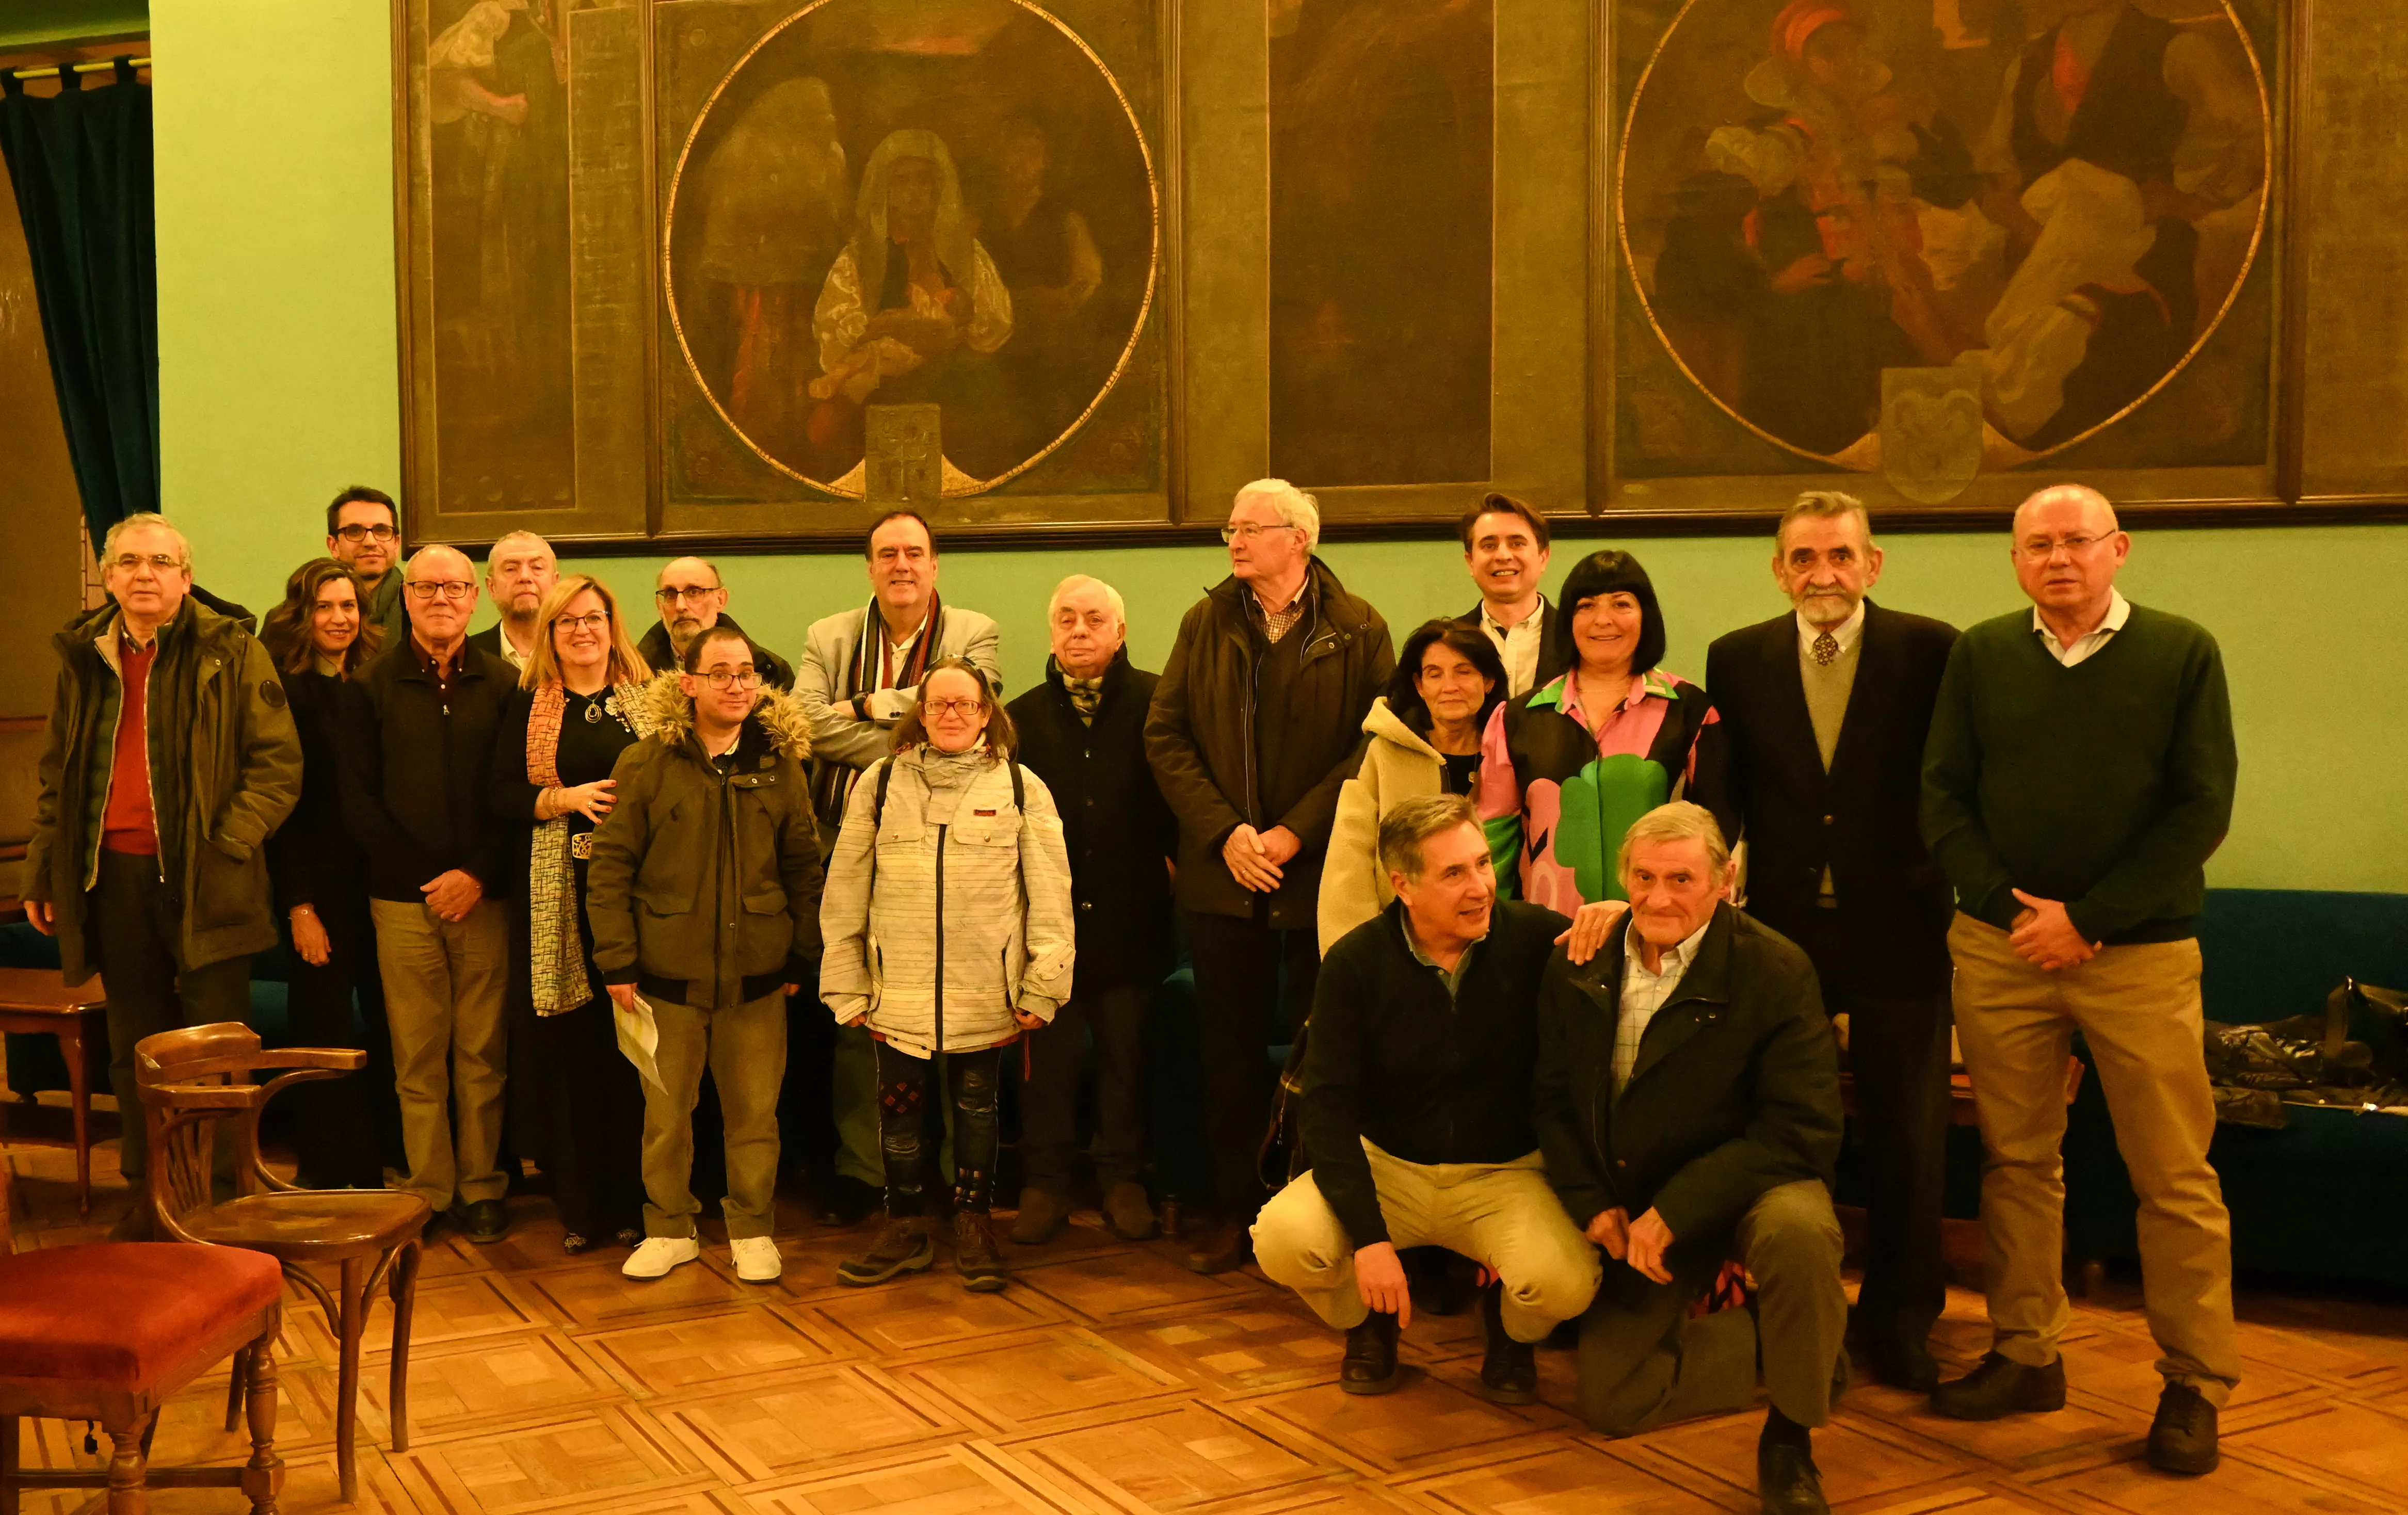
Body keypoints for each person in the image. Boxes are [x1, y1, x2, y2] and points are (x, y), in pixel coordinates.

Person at [1920, 485, 2238, 1475]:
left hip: (2136, 955)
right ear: (2015, 560)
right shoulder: (1981, 654)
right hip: (2002, 949)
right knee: (2016, 1161)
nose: (2058, 559)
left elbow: (2201, 807)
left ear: (2119, 549)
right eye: (2037, 545)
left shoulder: (2182, 650)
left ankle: (2193, 1383)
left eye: (2076, 542)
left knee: (2174, 1175)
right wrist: (2013, 912)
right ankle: (2025, 1353)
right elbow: (1941, 793)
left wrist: (2088, 921)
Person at [1699, 491, 1958, 1391]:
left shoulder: (1931, 650)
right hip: (1782, 933)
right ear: (1779, 570)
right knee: (1782, 1127)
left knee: (1909, 1138)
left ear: (1872, 564)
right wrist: (1704, 865)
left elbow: (1949, 780)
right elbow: (1723, 791)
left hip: (1901, 926)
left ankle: (1901, 1318)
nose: (1823, 573)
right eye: (1803, 558)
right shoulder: (1736, 660)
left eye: (1840, 556)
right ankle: (1790, 1306)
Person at [1533, 803, 1846, 1515]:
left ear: (1724, 880)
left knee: (1800, 1232)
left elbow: (1800, 1130)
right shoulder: (1580, 962)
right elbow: (1550, 1100)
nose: (1657, 897)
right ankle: (1798, 1347)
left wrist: (1676, 1211)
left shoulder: (1775, 967)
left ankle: (1791, 1439)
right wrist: (1591, 1203)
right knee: (1614, 1400)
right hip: (1633, 1190)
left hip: (1747, 1184)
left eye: (1681, 878)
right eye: (1642, 877)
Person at [1255, 795, 1601, 1404]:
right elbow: (1328, 1110)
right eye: (1454, 873)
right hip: (1390, 1165)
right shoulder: (1356, 961)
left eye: (1481, 865)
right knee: (1282, 1239)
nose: (1480, 888)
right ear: (1403, 885)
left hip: (1505, 1173)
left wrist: (1619, 914)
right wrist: (1368, 1240)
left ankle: (1510, 1331)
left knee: (1564, 1285)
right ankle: (1369, 1323)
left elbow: (1632, 952)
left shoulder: (1536, 938)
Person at [22, 514, 302, 1224]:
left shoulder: (231, 648)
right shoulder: (83, 656)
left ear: (185, 575)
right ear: (110, 575)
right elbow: (57, 776)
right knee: (136, 1050)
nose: (143, 573)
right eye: (129, 561)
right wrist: (42, 873)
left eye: (160, 561)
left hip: (212, 882)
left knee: (211, 1055)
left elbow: (278, 766)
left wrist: (223, 845)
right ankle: (152, 1201)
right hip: (111, 879)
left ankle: (216, 1204)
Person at [1145, 478, 1394, 1275]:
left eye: (1249, 529)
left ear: (1299, 538)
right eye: (1229, 529)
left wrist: (1294, 832)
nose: (1233, 542)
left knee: (1329, 1056)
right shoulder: (1204, 621)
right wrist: (1227, 833)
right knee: (1226, 1057)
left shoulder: (1359, 629)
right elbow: (1167, 734)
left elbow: (1371, 747)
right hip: (1225, 882)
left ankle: (1324, 1207)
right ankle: (1234, 1212)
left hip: (1324, 875)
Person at [821, 659, 1075, 1291]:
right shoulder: (879, 784)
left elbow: (1050, 895)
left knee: (978, 1111)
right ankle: (905, 1224)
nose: (952, 715)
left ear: (987, 712)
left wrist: (1044, 984)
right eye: (939, 706)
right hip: (895, 990)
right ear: (921, 714)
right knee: (899, 1114)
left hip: (985, 991)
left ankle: (973, 1221)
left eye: (965, 704)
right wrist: (845, 981)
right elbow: (845, 888)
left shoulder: (1021, 786)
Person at [588, 626, 824, 1284]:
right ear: (687, 682)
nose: (737, 684)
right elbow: (610, 866)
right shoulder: (646, 762)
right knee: (666, 1118)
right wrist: (618, 962)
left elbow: (804, 865)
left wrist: (801, 955)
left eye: (747, 672)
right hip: (662, 979)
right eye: (720, 672)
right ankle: (669, 1226)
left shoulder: (780, 764)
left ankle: (752, 1227)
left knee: (755, 1115)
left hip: (759, 978)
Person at [798, 509, 1002, 1225]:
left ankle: (948, 1173)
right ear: (870, 567)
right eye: (887, 554)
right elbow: (803, 726)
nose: (902, 565)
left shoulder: (973, 632)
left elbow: (961, 716)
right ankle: (866, 1169)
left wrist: (856, 710)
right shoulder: (828, 636)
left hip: (950, 855)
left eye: (914, 552)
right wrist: (903, 730)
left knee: (947, 1009)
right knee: (862, 1009)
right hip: (847, 847)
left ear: (935, 564)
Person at [335, 543, 517, 1243]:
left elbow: (512, 793)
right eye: (426, 588)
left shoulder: (505, 686)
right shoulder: (370, 686)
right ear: (405, 599)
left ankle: (481, 1188)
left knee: (481, 1053)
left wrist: (475, 874)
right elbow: (357, 802)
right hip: (401, 901)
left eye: (455, 588)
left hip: (484, 897)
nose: (441, 599)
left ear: (476, 599)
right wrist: (425, 881)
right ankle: (427, 1191)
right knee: (416, 1055)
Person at [1004, 576, 1177, 1245]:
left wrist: (1171, 867)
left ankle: (1121, 1179)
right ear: (1051, 634)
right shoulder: (1017, 717)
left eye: (1094, 619)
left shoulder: (1160, 703)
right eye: (1067, 620)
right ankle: (1044, 1182)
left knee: (1125, 1057)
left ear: (1120, 632)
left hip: (1131, 917)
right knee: (1045, 1065)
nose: (1079, 630)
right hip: (1044, 928)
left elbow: (1180, 799)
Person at [488, 576, 657, 1254]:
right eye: (567, 623)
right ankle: (583, 1205)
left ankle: (640, 1202)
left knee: (637, 1054)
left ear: (613, 625)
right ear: (550, 635)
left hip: (639, 898)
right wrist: (565, 800)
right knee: (574, 1054)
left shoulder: (649, 703)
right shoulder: (526, 703)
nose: (582, 631)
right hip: (557, 898)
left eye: (594, 619)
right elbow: (499, 794)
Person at [1478, 549, 1732, 913]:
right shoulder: (1518, 718)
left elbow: (1719, 838)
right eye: (1586, 606)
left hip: (1662, 927)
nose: (1603, 620)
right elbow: (1494, 840)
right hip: (1548, 934)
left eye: (1622, 604)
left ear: (1647, 616)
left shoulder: (1691, 712)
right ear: (1567, 620)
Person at [261, 558, 396, 1190]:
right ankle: (330, 1170)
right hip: (313, 884)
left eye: (349, 606)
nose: (340, 618)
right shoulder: (284, 690)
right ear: (302, 614)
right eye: (326, 607)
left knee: (388, 1025)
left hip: (376, 882)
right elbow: (283, 809)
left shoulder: (373, 680)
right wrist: (299, 904)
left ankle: (381, 1162)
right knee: (324, 1030)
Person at [1320, 619, 1510, 954]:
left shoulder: (1510, 751)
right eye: (1435, 674)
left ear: (1489, 681)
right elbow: (1349, 861)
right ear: (1419, 685)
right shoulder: (1383, 751)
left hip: (1494, 943)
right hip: (1401, 946)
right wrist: (1358, 958)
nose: (1449, 686)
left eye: (1463, 671)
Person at [634, 557, 796, 693]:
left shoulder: (769, 672)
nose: (680, 606)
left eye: (694, 592)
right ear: (659, 606)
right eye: (670, 595)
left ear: (720, 600)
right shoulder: (630, 673)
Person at [1459, 493, 1563, 698]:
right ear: (1470, 561)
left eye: (1517, 543)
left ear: (1543, 557)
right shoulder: (1446, 644)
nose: (1503, 556)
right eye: (1489, 546)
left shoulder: (1577, 639)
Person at [467, 530, 559, 670]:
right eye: (511, 569)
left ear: (555, 583)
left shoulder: (576, 652)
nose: (525, 577)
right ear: (492, 588)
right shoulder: (467, 657)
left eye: (537, 567)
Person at [326, 486, 407, 644]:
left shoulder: (421, 606)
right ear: (333, 545)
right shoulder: (301, 614)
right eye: (355, 531)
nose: (370, 542)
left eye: (382, 531)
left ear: (397, 543)